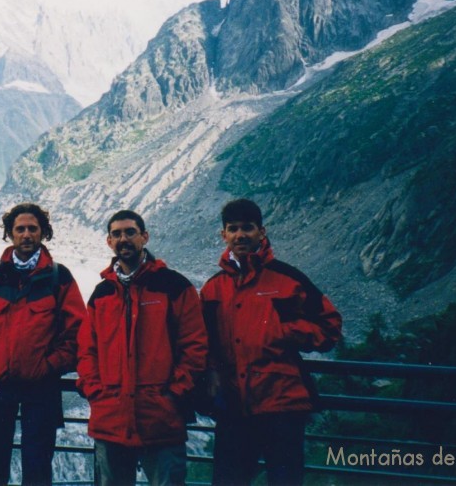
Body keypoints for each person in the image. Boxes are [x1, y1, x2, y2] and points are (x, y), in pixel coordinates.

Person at [199, 198, 342, 486]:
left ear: (261, 232)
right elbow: (204, 342)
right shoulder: (213, 288)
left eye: (248, 228)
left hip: (283, 405)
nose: (241, 235)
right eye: (233, 228)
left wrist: (285, 331)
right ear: (223, 235)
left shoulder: (288, 279)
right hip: (235, 406)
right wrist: (211, 372)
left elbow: (330, 328)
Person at [77, 209, 208, 486]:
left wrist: (174, 393)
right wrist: (94, 391)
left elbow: (195, 346)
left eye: (130, 232)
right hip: (111, 417)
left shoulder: (174, 286)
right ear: (109, 241)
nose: (123, 239)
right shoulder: (102, 293)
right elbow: (87, 350)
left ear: (144, 237)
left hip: (161, 418)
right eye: (117, 234)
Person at [0, 203, 87, 486]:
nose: (27, 234)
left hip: (41, 387)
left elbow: (77, 331)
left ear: (43, 232)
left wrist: (51, 365)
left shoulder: (59, 278)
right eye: (20, 229)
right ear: (10, 233)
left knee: (37, 466)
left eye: (33, 228)